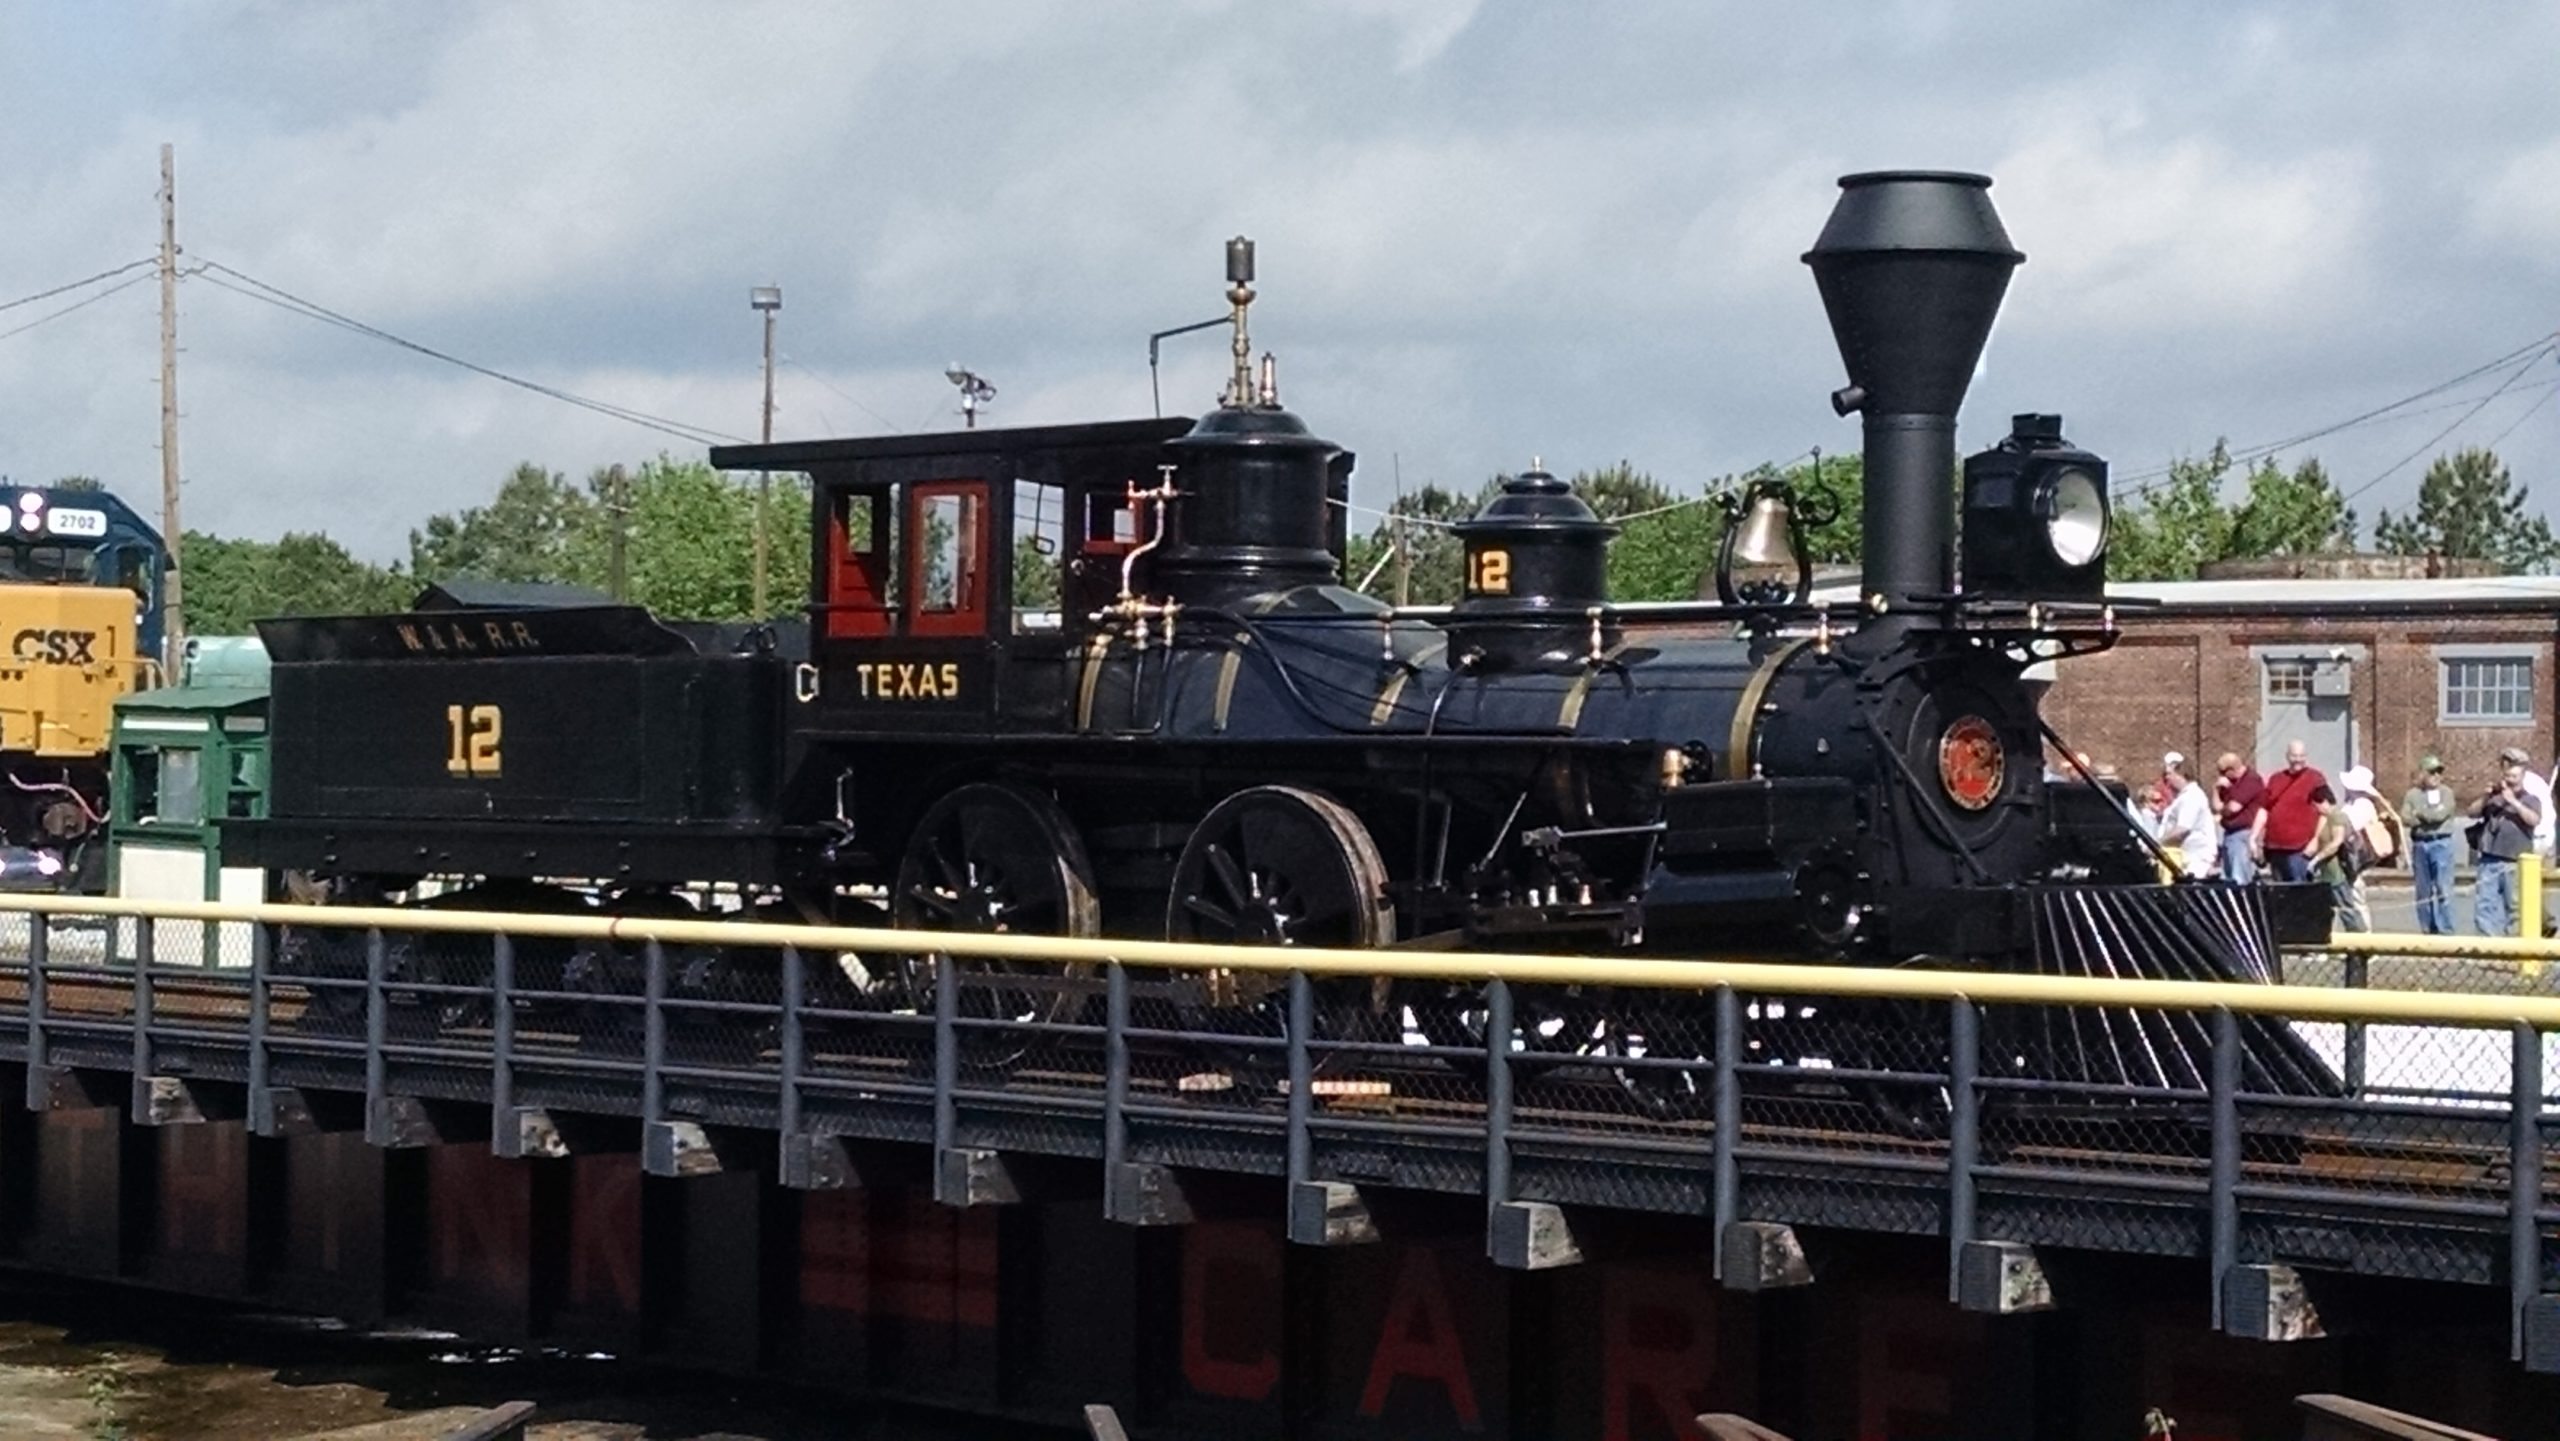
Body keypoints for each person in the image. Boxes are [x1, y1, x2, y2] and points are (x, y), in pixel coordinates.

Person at [2470, 749, 2544, 937]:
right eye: (2507, 775)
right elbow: (2472, 812)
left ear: (2522, 777)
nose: (2510, 779)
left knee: (2515, 906)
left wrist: (2514, 803)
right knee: (2485, 904)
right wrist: (2486, 797)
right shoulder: (2495, 798)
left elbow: (2534, 820)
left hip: (2514, 860)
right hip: (2489, 858)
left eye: (2514, 776)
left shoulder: (2530, 799)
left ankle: (2513, 946)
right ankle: (2489, 946)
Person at [2402, 756, 2460, 935]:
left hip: (2441, 843)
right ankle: (2427, 928)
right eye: (2432, 772)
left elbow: (2439, 816)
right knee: (2423, 890)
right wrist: (2419, 817)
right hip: (2420, 844)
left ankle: (2446, 930)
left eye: (2439, 772)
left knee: (2443, 888)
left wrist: (2420, 814)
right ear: (2423, 774)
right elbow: (2405, 817)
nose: (2436, 776)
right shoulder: (2412, 794)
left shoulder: (2447, 793)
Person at [2255, 741, 2329, 883]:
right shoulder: (2275, 779)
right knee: (2280, 891)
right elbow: (2264, 809)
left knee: (2299, 891)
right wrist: (2255, 838)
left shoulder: (2315, 779)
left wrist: (2315, 840)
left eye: (2301, 756)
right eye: (2294, 755)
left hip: (2300, 849)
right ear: (2287, 756)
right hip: (2274, 847)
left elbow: (2326, 812)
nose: (2298, 760)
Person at [2337, 765, 2394, 932]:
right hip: (2349, 855)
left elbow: (2350, 826)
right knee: (2349, 898)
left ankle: (2366, 937)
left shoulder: (2363, 805)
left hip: (2357, 857)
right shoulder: (2352, 803)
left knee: (2356, 897)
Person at [2305, 785, 2366, 932]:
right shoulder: (2330, 818)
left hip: (2337, 872)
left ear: (2325, 801)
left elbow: (2336, 842)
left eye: (2316, 805)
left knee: (2346, 908)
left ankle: (2361, 945)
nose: (2316, 810)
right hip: (2328, 873)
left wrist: (2315, 860)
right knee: (2329, 909)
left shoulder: (2337, 817)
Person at [2156, 752, 2217, 879]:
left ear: (2181, 773)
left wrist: (2156, 844)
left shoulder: (2192, 796)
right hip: (2182, 858)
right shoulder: (2182, 797)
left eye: (2169, 774)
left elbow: (2182, 829)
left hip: (2194, 860)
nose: (2166, 779)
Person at [2213, 752, 2265, 883]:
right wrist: (2215, 789)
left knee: (2239, 879)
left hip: (2243, 834)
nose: (2222, 776)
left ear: (2232, 769)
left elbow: (2233, 808)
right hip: (2229, 835)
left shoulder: (2251, 780)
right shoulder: (2229, 783)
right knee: (2228, 878)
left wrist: (2223, 808)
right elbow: (2216, 806)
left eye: (2223, 772)